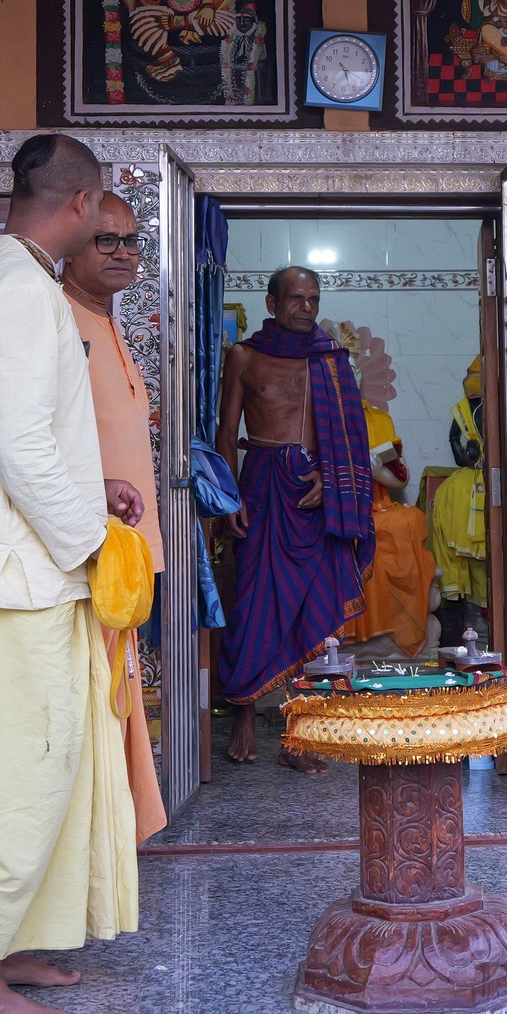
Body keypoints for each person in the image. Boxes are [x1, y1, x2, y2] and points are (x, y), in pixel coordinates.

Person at [0, 133, 146, 1014]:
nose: (106, 227)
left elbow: (20, 438)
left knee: (49, 767)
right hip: (27, 581)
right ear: (79, 203)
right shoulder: (25, 292)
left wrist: (90, 491)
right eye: (102, 210)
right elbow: (25, 447)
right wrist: (92, 541)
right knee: (23, 775)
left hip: (32, 567)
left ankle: (7, 944)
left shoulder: (5, 276)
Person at [215, 266, 374, 769]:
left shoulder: (331, 360)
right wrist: (230, 496)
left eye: (313, 299)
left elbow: (350, 438)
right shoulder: (244, 356)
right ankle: (243, 712)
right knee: (252, 603)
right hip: (263, 486)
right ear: (271, 303)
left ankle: (297, 734)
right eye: (295, 298)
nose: (306, 307)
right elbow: (226, 433)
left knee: (315, 612)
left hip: (316, 493)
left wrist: (332, 477)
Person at [61, 195, 170, 850]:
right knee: (91, 700)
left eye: (132, 241)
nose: (124, 252)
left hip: (122, 553)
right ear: (73, 241)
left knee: (115, 693)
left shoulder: (104, 320)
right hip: (83, 549)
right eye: (107, 240)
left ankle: (114, 833)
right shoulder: (60, 320)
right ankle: (92, 840)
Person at [341, 402, 434, 658]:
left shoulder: (379, 419)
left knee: (409, 518)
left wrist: (376, 470)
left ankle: (396, 629)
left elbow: (400, 479)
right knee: (352, 535)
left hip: (377, 506)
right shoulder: (320, 416)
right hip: (340, 508)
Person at [431, 358, 490, 650]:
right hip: (466, 491)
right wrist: (470, 454)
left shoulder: (494, 407)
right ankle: (468, 636)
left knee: (477, 564)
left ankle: (481, 633)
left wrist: (469, 453)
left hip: (475, 488)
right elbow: (458, 449)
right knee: (464, 564)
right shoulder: (466, 410)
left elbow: (458, 448)